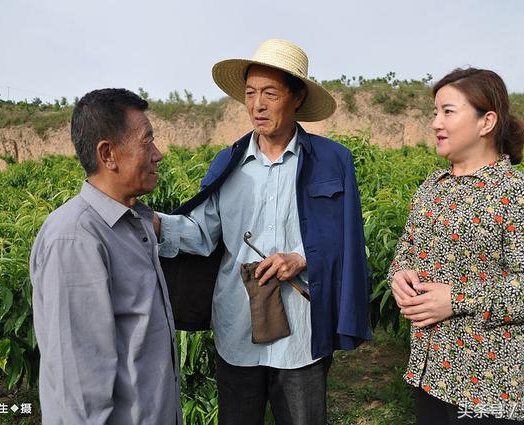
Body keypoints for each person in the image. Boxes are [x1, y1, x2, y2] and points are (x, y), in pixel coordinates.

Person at [156, 39, 371, 425]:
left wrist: (301, 259)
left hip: (302, 334)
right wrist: (152, 223)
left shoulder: (332, 161)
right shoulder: (230, 161)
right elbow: (201, 233)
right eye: (251, 93)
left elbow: (349, 240)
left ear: (297, 98)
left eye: (270, 93)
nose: (257, 105)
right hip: (237, 326)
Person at [388, 68, 524, 424]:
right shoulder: (433, 186)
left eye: (447, 112)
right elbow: (408, 246)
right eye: (434, 112)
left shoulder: (517, 193)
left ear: (487, 122)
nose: (436, 122)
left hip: (487, 384)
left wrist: (455, 299)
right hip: (430, 372)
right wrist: (400, 274)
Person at [30, 89, 182, 424]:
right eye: (147, 141)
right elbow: (80, 386)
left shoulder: (134, 223)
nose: (158, 154)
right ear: (108, 154)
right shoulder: (76, 239)